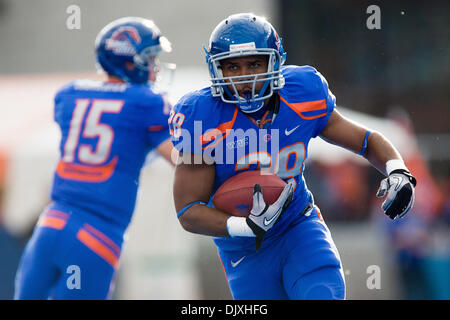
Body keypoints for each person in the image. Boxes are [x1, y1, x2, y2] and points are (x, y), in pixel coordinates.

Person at [170, 13, 417, 300]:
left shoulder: (302, 93)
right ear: (217, 70)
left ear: (274, 61)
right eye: (232, 66)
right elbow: (188, 210)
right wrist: (245, 226)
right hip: (243, 248)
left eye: (254, 63)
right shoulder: (201, 115)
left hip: (297, 224)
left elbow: (366, 140)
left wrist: (398, 170)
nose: (245, 76)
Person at [14, 17, 175, 299]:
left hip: (50, 223)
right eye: (150, 58)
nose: (155, 67)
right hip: (95, 235)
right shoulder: (146, 102)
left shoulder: (70, 94)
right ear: (130, 61)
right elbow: (183, 159)